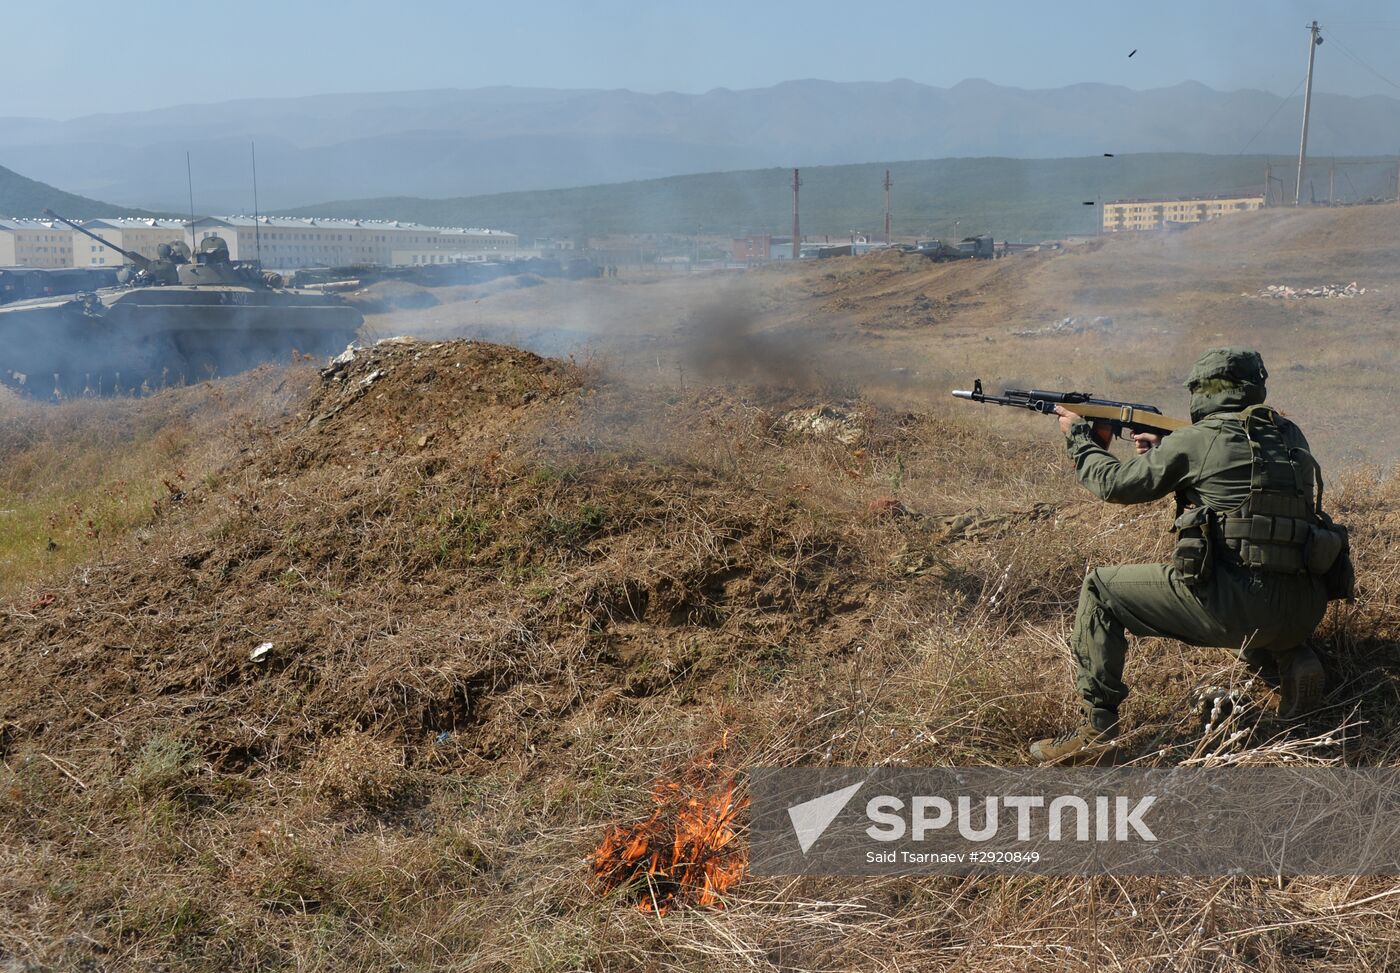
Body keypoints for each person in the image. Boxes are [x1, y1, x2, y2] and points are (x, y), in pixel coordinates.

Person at [1031, 347, 1332, 763]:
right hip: (1304, 606)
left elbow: (1114, 485)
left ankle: (1096, 730)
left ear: (1202, 390)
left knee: (1100, 588)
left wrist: (1081, 437)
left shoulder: (1196, 440)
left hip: (1240, 605)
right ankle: (1290, 656)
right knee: (1259, 562)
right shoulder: (1288, 433)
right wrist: (1168, 446)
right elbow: (1238, 468)